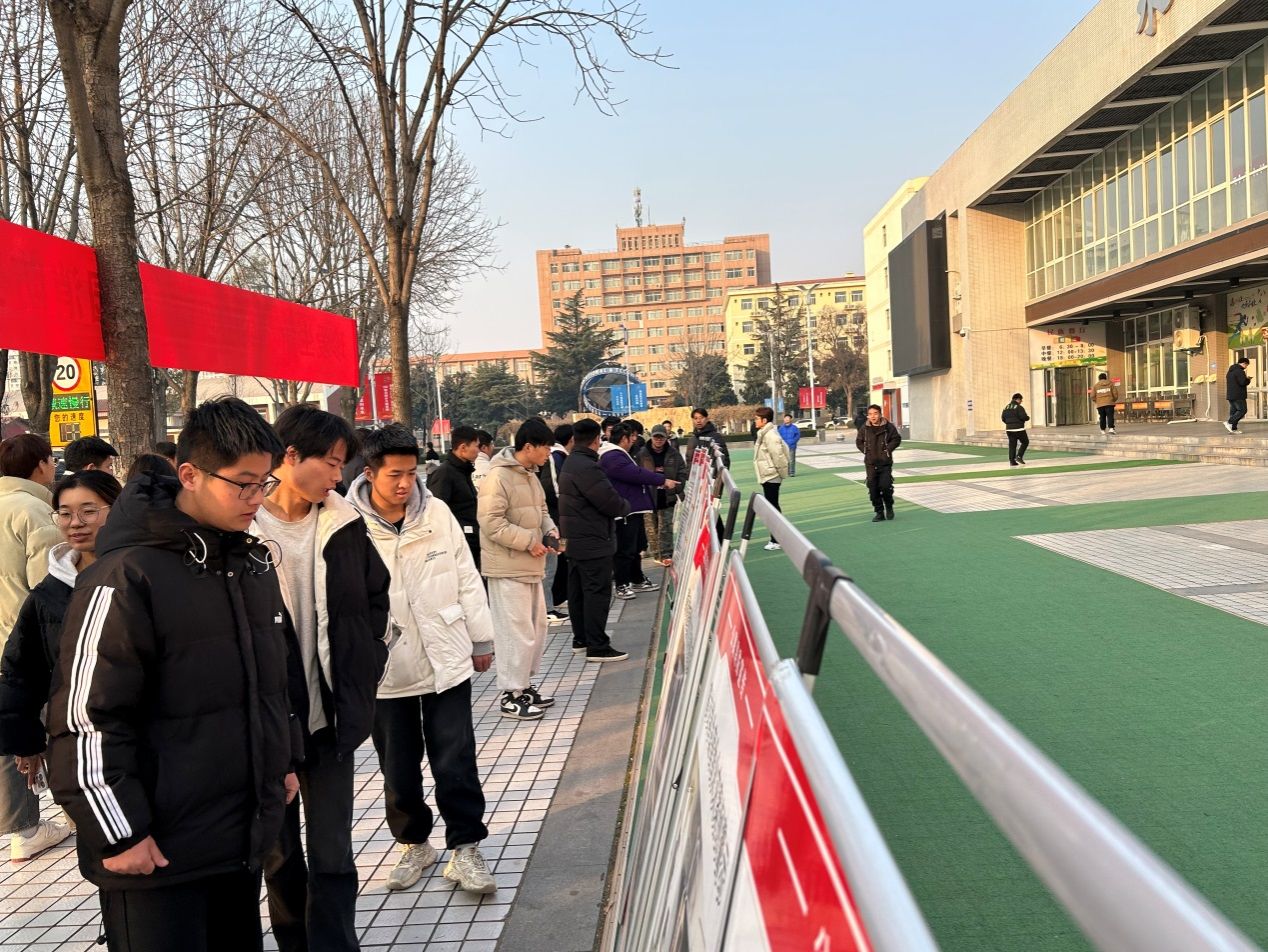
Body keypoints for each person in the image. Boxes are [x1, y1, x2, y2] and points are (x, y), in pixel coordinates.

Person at [46, 397, 298, 952]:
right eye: (243, 484)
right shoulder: (125, 576)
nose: (257, 499)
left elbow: (269, 682)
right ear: (189, 474)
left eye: (264, 483)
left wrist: (280, 759)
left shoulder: (246, 562)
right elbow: (86, 718)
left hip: (234, 840)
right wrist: (120, 833)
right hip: (153, 853)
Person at [256, 405, 391, 952]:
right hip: (271, 726)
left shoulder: (343, 522)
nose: (339, 476)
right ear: (290, 456)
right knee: (280, 854)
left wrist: (370, 660)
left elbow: (376, 596)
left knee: (333, 852)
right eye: (332, 463)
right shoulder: (243, 528)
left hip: (331, 716)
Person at [347, 425, 497, 897]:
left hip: (445, 656)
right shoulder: (345, 522)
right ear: (369, 473)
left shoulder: (436, 512)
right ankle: (414, 843)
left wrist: (481, 638)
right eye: (394, 474)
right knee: (398, 767)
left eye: (411, 473)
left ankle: (465, 847)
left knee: (455, 759)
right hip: (386, 666)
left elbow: (466, 576)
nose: (404, 483)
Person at [0, 470, 120, 861]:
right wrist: (26, 740)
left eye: (89, 511)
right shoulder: (49, 593)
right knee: (103, 851)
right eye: (65, 513)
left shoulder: (141, 576)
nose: (75, 523)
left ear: (117, 510)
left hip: (145, 739)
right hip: (79, 744)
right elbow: (21, 669)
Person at [0, 433, 63, 862]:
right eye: (51, 460)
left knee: (9, 730)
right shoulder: (33, 510)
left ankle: (22, 826)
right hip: (22, 640)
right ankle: (37, 826)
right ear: (40, 464)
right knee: (43, 725)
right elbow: (49, 587)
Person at [478, 418, 558, 721]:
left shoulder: (529, 475)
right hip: (508, 567)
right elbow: (491, 522)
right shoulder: (498, 476)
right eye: (545, 447)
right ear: (528, 447)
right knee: (515, 632)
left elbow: (541, 510)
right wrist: (529, 541)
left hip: (530, 564)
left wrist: (550, 530)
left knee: (536, 629)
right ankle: (511, 695)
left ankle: (524, 686)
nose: (549, 453)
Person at [558, 419, 630, 662]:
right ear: (596, 439)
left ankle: (582, 639)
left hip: (575, 538)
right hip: (592, 539)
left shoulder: (572, 461)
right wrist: (625, 506)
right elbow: (609, 502)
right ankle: (597, 646)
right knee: (596, 593)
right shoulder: (587, 466)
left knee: (579, 592)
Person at [600, 424, 675, 599]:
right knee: (625, 549)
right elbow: (635, 473)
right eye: (632, 436)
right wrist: (662, 480)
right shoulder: (611, 456)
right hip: (625, 510)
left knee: (634, 547)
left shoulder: (618, 454)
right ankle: (622, 584)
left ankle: (637, 578)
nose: (635, 439)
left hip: (632, 508)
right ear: (623, 438)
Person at [427, 425, 482, 570]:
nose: (478, 450)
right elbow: (436, 513)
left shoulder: (464, 470)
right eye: (476, 446)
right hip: (457, 545)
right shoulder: (445, 473)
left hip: (471, 541)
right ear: (463, 447)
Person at [538, 424, 573, 624]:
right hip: (553, 520)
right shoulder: (554, 457)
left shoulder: (554, 457)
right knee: (550, 564)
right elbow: (553, 489)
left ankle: (556, 599)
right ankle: (548, 607)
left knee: (558, 560)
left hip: (553, 519)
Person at [637, 426, 686, 565]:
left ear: (666, 438)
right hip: (648, 496)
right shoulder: (642, 454)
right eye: (656, 437)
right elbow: (636, 473)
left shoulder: (674, 454)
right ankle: (656, 553)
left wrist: (677, 487)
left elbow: (682, 471)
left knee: (666, 526)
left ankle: (666, 554)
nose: (658, 440)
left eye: (661, 437)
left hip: (667, 496)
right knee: (651, 528)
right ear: (651, 437)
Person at [856, 405, 902, 523]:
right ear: (868, 415)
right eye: (870, 414)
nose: (873, 416)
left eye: (875, 413)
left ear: (880, 414)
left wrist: (888, 450)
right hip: (870, 463)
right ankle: (879, 512)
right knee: (873, 488)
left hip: (885, 463)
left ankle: (889, 506)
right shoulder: (864, 428)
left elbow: (896, 439)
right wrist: (865, 451)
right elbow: (859, 441)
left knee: (886, 486)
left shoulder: (888, 427)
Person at [753, 408, 791, 550]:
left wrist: (780, 473)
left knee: (773, 507)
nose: (755, 421)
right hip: (768, 474)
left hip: (772, 475)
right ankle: (777, 538)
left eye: (757, 418)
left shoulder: (770, 435)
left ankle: (776, 539)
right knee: (773, 506)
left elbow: (779, 456)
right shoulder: (765, 433)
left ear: (764, 420)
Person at [1001, 393, 1030, 466]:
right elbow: (1023, 417)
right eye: (1021, 400)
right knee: (1025, 442)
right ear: (1018, 399)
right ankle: (1019, 456)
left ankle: (1012, 461)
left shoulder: (1006, 407)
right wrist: (1027, 418)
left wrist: (1009, 424)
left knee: (1012, 445)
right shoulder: (1019, 407)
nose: (1021, 401)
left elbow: (1003, 418)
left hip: (1009, 430)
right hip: (1019, 429)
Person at [1226, 357, 1251, 433]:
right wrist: (1248, 379)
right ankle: (1229, 422)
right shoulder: (1240, 371)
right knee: (1243, 410)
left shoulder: (1230, 371)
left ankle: (1233, 429)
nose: (1246, 367)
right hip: (1238, 395)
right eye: (1246, 365)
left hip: (1231, 395)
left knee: (1234, 412)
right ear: (1244, 363)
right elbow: (1242, 382)